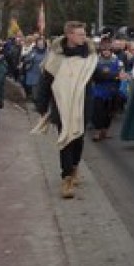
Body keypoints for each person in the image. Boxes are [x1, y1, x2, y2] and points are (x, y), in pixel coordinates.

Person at [34, 21, 97, 199]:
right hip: (61, 105)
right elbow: (46, 82)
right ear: (69, 35)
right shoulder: (56, 57)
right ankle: (66, 178)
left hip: (83, 104)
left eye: (84, 34)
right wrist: (41, 104)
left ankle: (75, 166)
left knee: (78, 138)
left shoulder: (89, 57)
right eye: (79, 34)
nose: (83, 37)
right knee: (65, 139)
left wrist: (116, 75)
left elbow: (96, 74)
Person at [90, 36, 125, 142]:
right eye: (104, 50)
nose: (106, 52)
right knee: (98, 112)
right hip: (99, 91)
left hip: (112, 91)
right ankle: (97, 131)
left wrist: (121, 76)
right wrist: (114, 76)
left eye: (108, 50)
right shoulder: (95, 61)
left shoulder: (117, 61)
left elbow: (121, 75)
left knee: (109, 112)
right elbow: (97, 76)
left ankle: (105, 130)